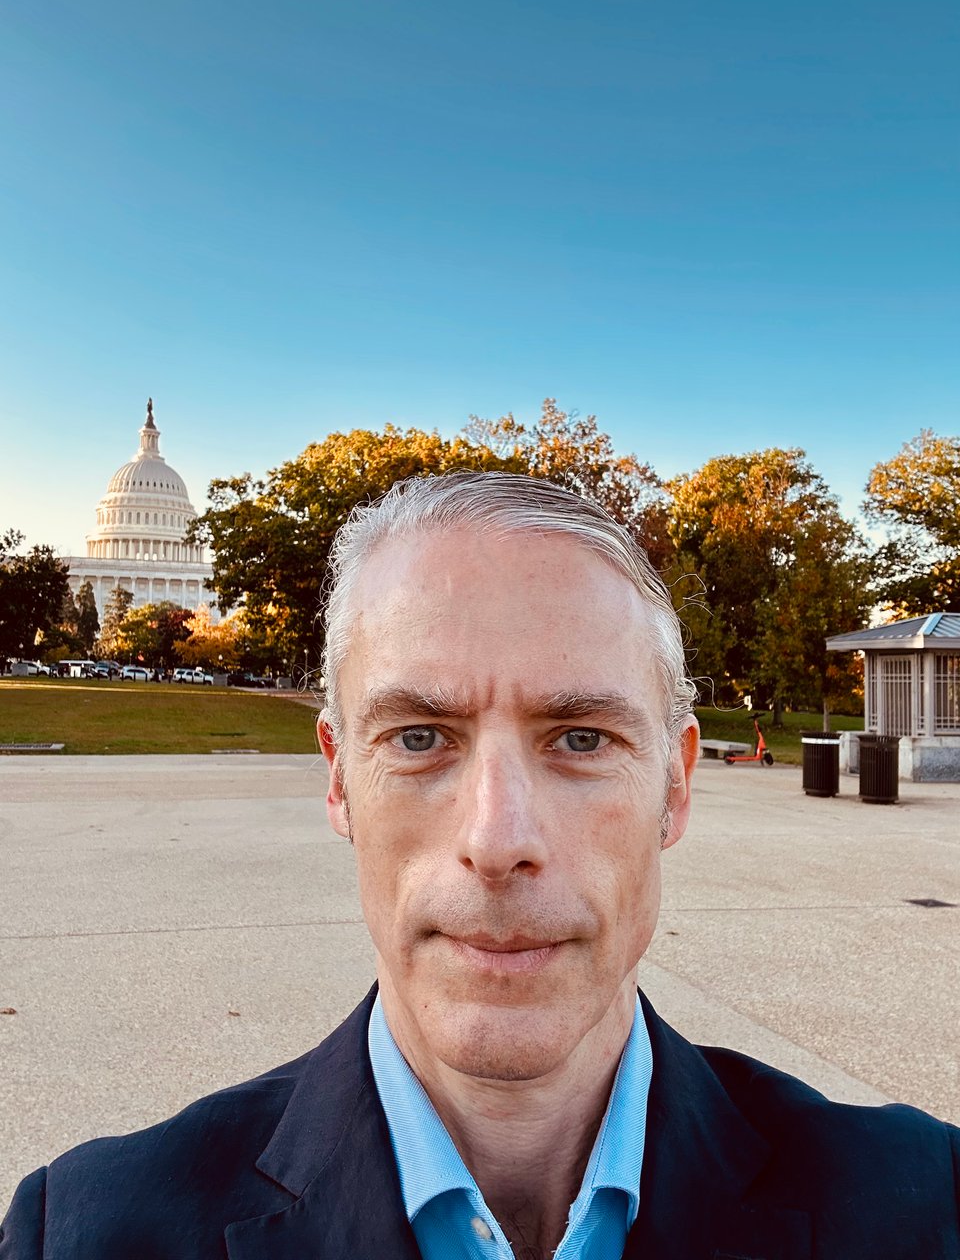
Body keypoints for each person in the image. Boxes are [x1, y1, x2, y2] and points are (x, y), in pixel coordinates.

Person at [1, 471, 957, 1260]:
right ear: (340, 782)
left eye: (581, 739)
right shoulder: (90, 1232)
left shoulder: (922, 1213)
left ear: (675, 784)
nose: (498, 842)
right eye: (421, 736)